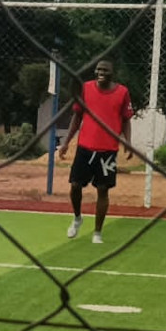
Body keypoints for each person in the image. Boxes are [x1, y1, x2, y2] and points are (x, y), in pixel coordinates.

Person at [58, 58, 134, 245]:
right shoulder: (86, 89)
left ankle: (97, 233)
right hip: (85, 147)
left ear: (112, 73)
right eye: (98, 69)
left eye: (105, 70)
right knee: (75, 185)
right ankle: (77, 218)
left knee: (102, 190)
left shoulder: (122, 92)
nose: (101, 72)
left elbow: (126, 119)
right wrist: (67, 142)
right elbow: (77, 116)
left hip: (107, 151)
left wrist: (128, 142)